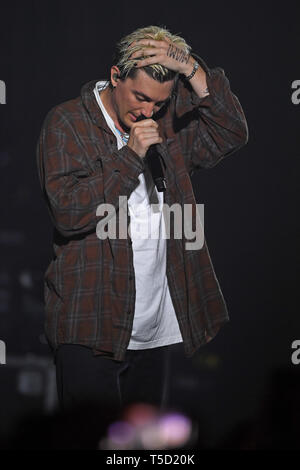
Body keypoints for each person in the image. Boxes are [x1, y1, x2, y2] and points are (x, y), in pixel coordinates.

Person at [36, 25, 248, 415]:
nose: (147, 112)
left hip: (153, 331)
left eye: (158, 104)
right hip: (91, 327)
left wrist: (188, 67)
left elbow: (231, 132)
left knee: (143, 450)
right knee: (90, 442)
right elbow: (68, 212)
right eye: (140, 97)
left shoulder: (164, 127)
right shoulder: (67, 122)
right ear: (116, 76)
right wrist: (130, 155)